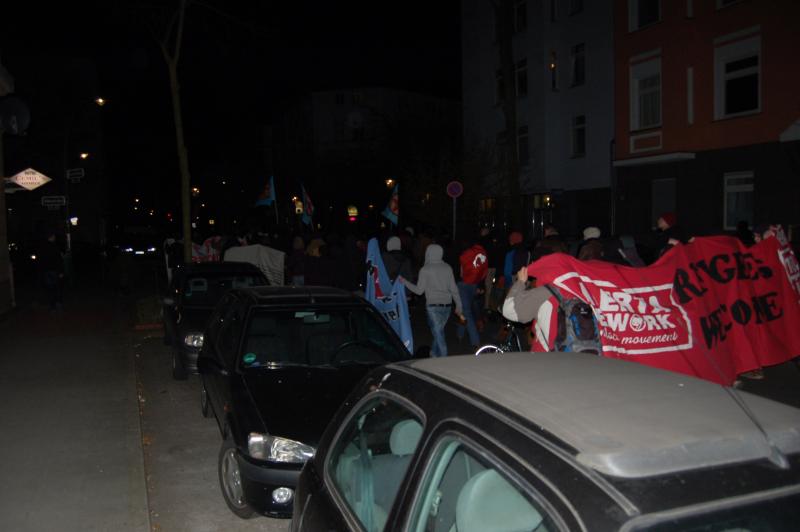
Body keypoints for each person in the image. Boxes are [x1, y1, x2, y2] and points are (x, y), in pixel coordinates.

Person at [400, 244, 464, 357]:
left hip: (433, 307)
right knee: (437, 332)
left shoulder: (425, 269)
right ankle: (433, 354)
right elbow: (454, 288)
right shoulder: (447, 268)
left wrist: (404, 282)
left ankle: (444, 358)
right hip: (447, 306)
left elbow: (419, 291)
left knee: (439, 333)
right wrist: (459, 305)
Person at [456, 238, 488, 350]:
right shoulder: (480, 252)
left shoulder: (463, 254)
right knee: (465, 311)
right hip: (475, 284)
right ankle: (460, 333)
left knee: (467, 312)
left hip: (463, 285)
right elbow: (484, 270)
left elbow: (460, 273)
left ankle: (475, 341)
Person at [38, 232, 65, 311]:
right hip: (54, 270)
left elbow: (40, 260)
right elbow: (59, 260)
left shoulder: (43, 247)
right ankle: (58, 304)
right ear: (52, 237)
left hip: (46, 271)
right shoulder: (55, 247)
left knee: (50, 288)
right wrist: (61, 271)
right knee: (57, 287)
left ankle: (52, 305)